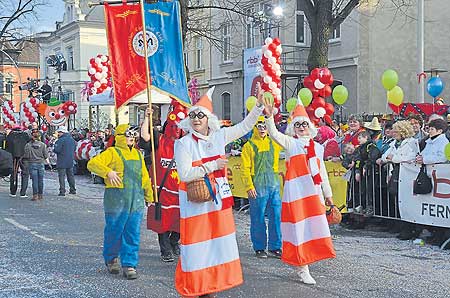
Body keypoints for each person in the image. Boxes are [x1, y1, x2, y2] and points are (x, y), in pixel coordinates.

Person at [174, 86, 265, 297]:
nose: (196, 119)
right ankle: (196, 285)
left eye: (200, 115)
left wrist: (259, 106)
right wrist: (213, 165)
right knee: (198, 245)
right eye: (192, 115)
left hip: (217, 201)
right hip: (195, 203)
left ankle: (212, 286)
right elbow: (186, 174)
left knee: (217, 243)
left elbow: (245, 126)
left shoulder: (219, 137)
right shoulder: (183, 143)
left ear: (208, 119)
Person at [265, 100, 336, 285]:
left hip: (313, 194)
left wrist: (328, 197)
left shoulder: (318, 148)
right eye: (297, 124)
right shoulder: (291, 144)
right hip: (296, 194)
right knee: (298, 230)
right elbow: (273, 134)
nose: (301, 127)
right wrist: (269, 116)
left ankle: (307, 261)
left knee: (313, 229)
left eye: (304, 123)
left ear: (310, 126)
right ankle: (302, 267)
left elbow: (322, 173)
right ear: (293, 128)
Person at [87, 124, 153, 279]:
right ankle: (111, 259)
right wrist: (107, 172)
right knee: (114, 230)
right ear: (120, 136)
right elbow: (92, 164)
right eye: (128, 134)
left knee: (132, 232)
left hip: (135, 200)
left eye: (133, 134)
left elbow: (144, 177)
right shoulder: (112, 152)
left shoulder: (138, 155)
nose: (131, 137)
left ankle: (129, 264)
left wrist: (149, 196)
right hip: (116, 200)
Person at [143, 101, 187, 263]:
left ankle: (174, 241)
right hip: (161, 190)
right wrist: (147, 117)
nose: (175, 130)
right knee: (162, 221)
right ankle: (165, 249)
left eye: (178, 127)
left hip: (180, 191)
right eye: (172, 126)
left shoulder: (186, 143)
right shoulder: (159, 140)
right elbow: (145, 136)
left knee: (180, 220)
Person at [241, 116, 282, 259]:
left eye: (265, 125)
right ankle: (259, 247)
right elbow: (244, 168)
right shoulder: (249, 146)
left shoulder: (275, 143)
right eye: (259, 125)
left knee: (276, 216)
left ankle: (275, 247)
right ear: (255, 127)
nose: (262, 128)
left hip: (273, 186)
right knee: (258, 217)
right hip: (257, 186)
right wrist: (249, 186)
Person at [378, 120, 419, 238]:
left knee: (406, 200)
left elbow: (410, 157)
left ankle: (409, 228)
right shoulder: (394, 143)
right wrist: (392, 158)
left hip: (407, 173)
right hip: (396, 172)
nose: (393, 133)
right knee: (395, 198)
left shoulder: (411, 143)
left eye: (396, 131)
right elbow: (385, 156)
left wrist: (394, 158)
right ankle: (399, 225)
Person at [354, 130, 381, 216]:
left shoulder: (370, 146)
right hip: (364, 172)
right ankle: (364, 206)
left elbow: (373, 157)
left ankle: (370, 207)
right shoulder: (360, 147)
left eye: (360, 137)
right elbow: (356, 158)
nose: (358, 140)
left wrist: (366, 166)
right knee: (363, 189)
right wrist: (358, 171)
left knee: (370, 189)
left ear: (366, 137)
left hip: (372, 171)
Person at [24, 128, 50, 201]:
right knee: (40, 180)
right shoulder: (43, 145)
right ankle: (40, 195)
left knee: (34, 180)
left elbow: (26, 156)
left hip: (32, 163)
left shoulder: (28, 145)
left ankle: (35, 195)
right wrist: (48, 163)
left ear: (32, 136)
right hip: (41, 164)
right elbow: (46, 156)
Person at [6, 125, 30, 197]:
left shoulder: (10, 135)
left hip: (13, 156)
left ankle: (13, 192)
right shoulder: (25, 135)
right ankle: (23, 192)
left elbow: (7, 146)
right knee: (25, 174)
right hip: (24, 156)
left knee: (14, 174)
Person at [54, 127, 77, 196]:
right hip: (70, 160)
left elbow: (57, 150)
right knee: (71, 176)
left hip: (62, 160)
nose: (58, 134)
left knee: (61, 176)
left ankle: (62, 191)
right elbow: (74, 149)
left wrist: (54, 148)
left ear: (62, 132)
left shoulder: (60, 140)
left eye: (59, 132)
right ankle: (73, 189)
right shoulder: (72, 140)